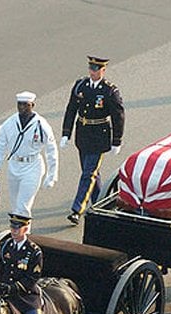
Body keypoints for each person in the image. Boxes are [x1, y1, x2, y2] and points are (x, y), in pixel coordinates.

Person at [61, 56, 125, 225]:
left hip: (99, 135)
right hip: (83, 134)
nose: (93, 72)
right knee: (91, 173)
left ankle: (77, 209)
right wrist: (66, 133)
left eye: (96, 69)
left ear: (103, 71)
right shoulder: (81, 86)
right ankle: (100, 202)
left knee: (88, 173)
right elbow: (71, 109)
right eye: (91, 69)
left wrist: (117, 140)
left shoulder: (109, 90)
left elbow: (118, 116)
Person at [0, 92, 59, 219]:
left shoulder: (41, 125)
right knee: (15, 205)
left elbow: (51, 150)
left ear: (32, 105)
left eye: (25, 104)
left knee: (23, 206)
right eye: (19, 104)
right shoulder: (9, 123)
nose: (22, 107)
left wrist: (52, 174)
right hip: (14, 166)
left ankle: (22, 236)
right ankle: (19, 233)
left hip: (32, 167)